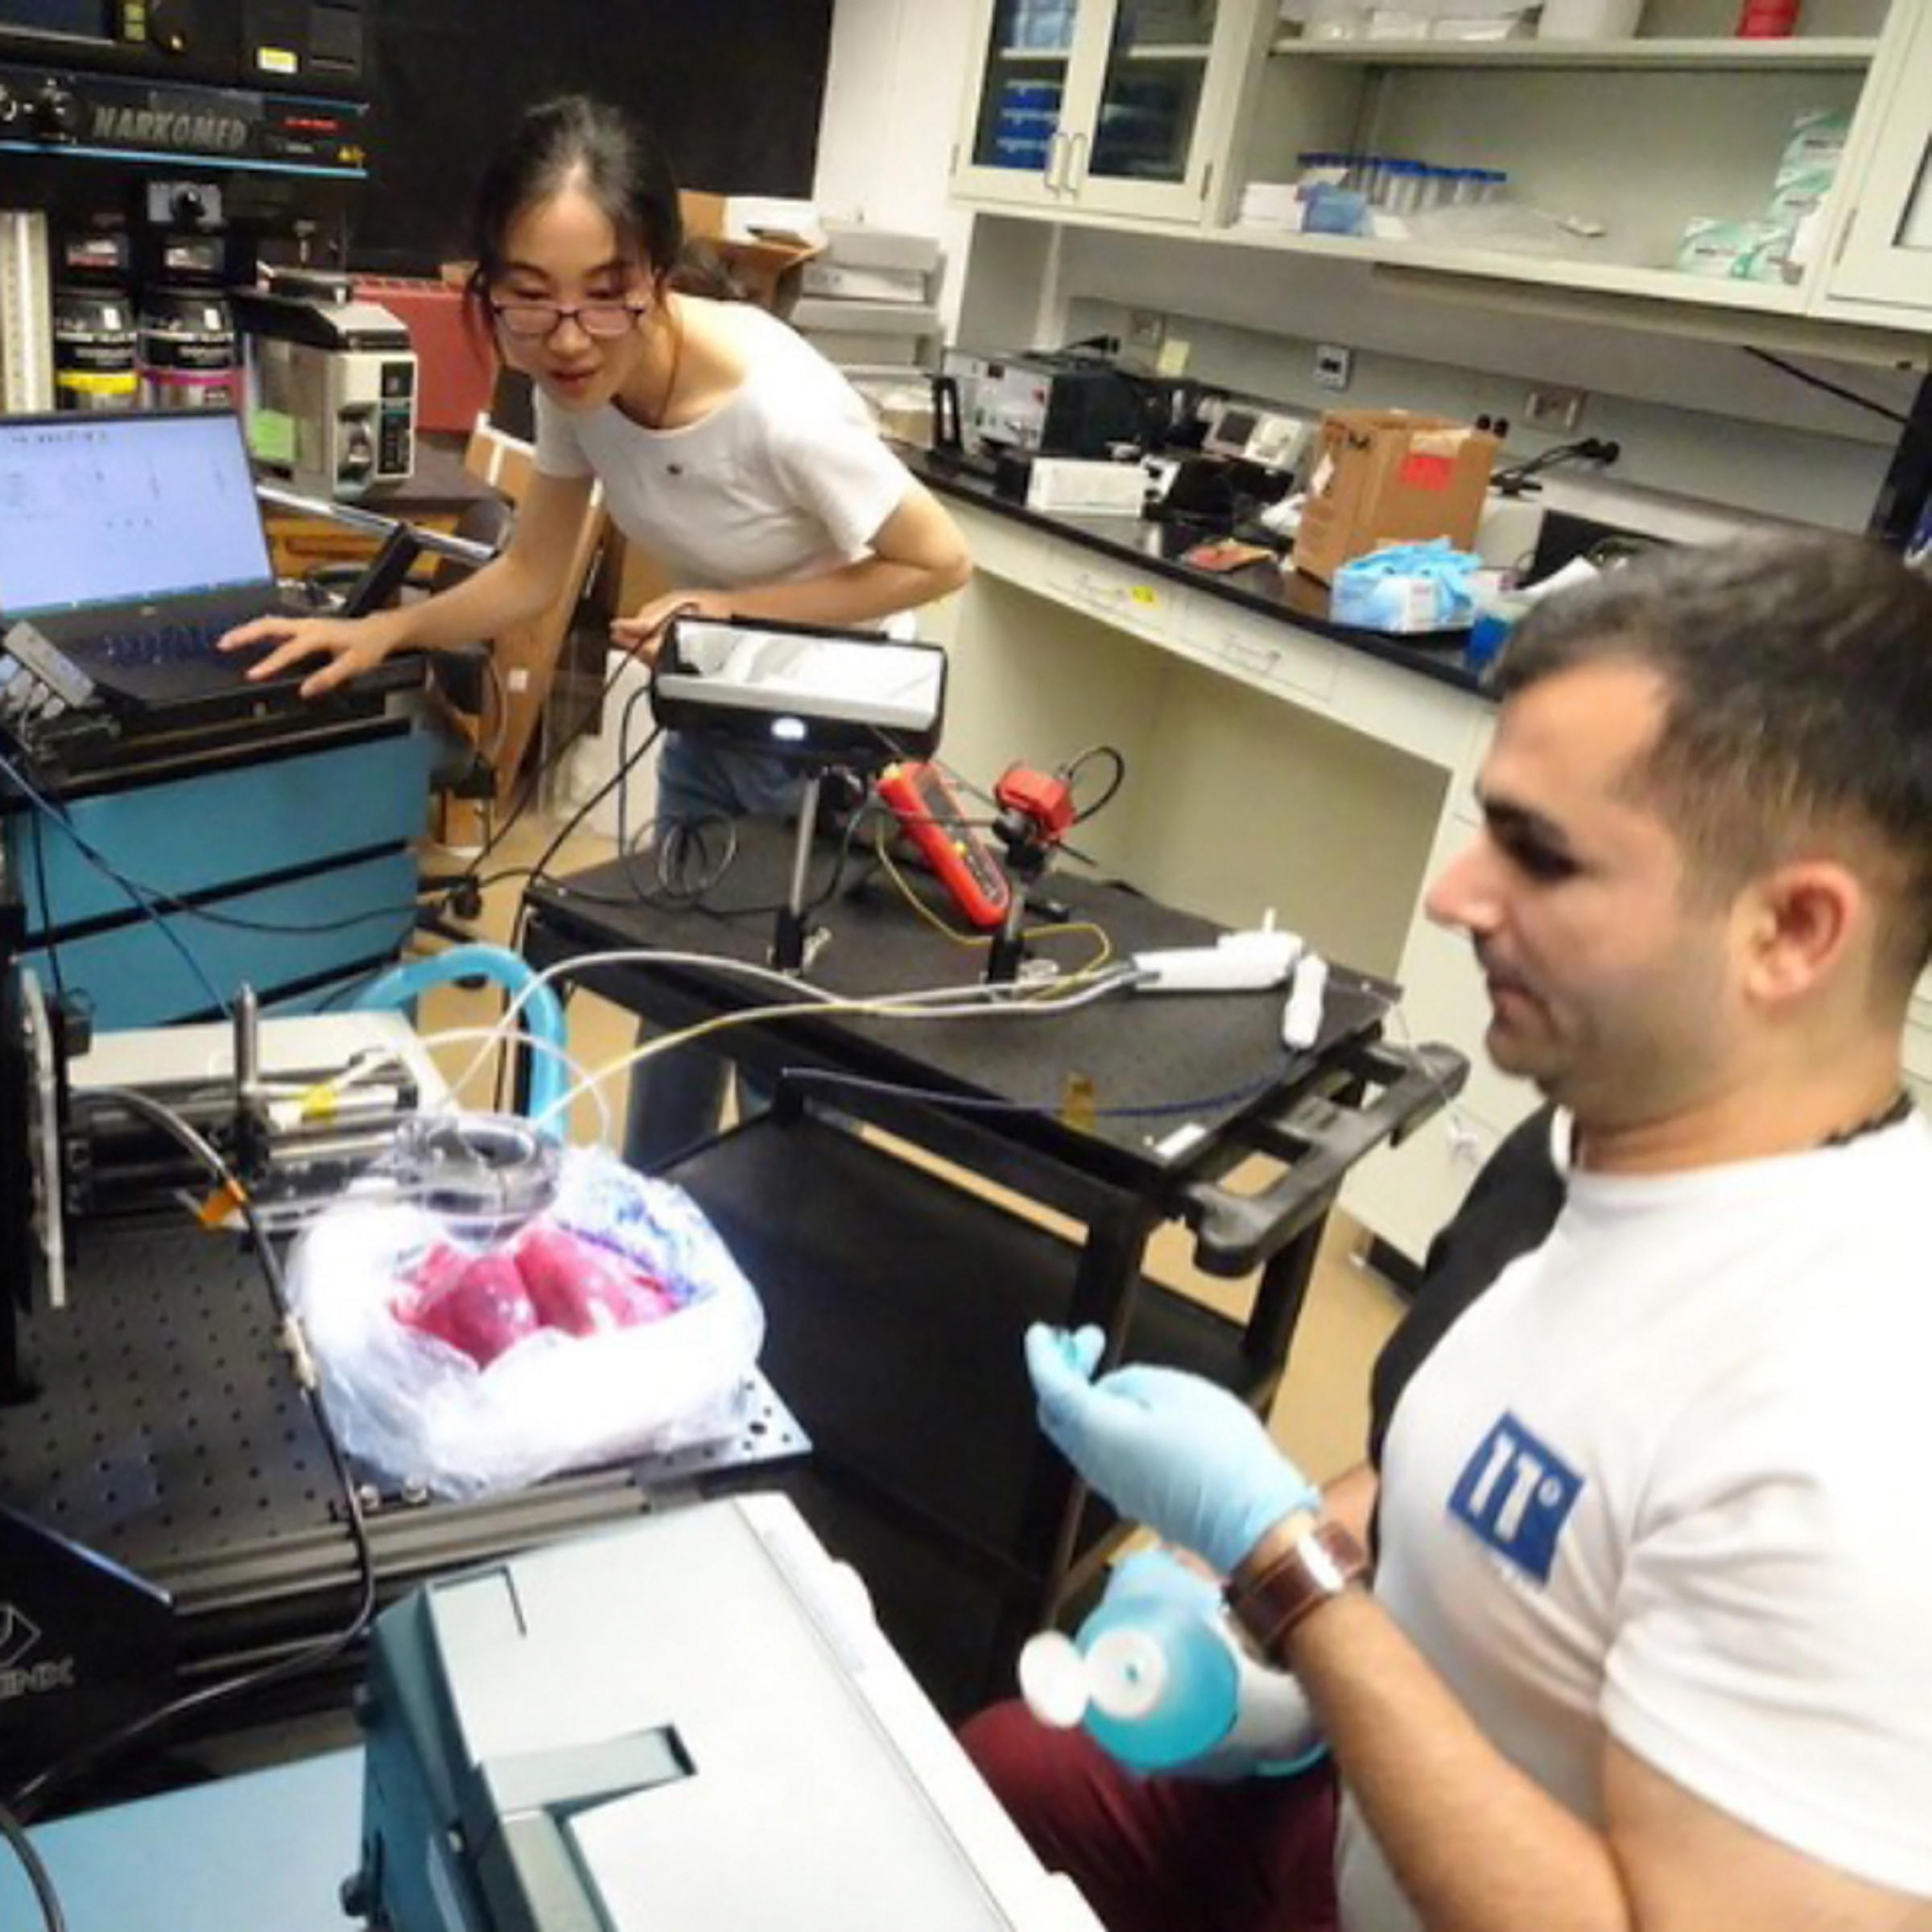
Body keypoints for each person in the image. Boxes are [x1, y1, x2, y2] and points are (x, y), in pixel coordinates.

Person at [965, 533, 1932, 1932]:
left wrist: (1286, 1568)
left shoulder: (1855, 1429)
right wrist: (1256, 1567)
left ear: (1790, 932)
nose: (1453, 894)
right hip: (1350, 1803)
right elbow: (1492, 1471)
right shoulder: (1594, 1143)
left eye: (1539, 855)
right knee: (1007, 1775)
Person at [221, 94, 971, 1162]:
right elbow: (533, 573)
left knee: (792, 1051)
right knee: (678, 997)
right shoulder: (570, 382)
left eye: (606, 296)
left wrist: (733, 611)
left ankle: (791, 1245)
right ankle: (649, 1213)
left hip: (831, 738)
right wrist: (386, 631)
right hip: (715, 700)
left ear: (656, 273)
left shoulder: (776, 406)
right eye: (529, 299)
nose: (568, 338)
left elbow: (938, 560)